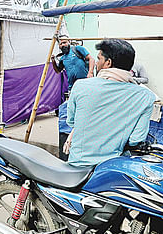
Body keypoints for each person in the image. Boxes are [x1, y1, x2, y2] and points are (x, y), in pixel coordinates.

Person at [63, 39, 156, 167]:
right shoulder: (145, 97)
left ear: (108, 63)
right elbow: (136, 140)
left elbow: (72, 122)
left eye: (99, 59)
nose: (95, 63)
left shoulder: (80, 86)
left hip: (78, 168)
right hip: (112, 169)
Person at [52, 35, 95, 159]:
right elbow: (57, 71)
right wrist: (53, 61)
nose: (62, 45)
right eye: (60, 44)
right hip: (73, 89)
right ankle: (74, 136)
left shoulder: (78, 49)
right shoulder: (63, 58)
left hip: (86, 85)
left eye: (64, 42)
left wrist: (90, 72)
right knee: (74, 113)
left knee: (87, 111)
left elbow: (91, 59)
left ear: (69, 42)